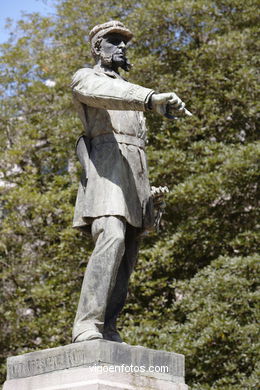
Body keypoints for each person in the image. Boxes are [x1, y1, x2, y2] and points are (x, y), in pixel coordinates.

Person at [71, 20, 191, 343]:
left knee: (128, 255)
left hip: (133, 183)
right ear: (98, 47)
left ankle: (108, 326)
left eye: (125, 42)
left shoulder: (129, 91)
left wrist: (147, 192)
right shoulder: (87, 78)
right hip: (106, 177)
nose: (122, 47)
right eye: (114, 41)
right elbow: (106, 95)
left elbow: (135, 148)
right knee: (111, 236)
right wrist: (150, 98)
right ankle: (86, 323)